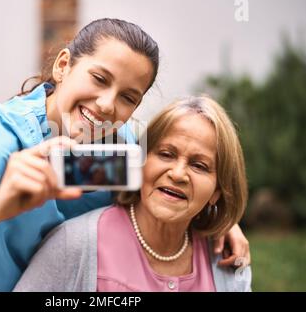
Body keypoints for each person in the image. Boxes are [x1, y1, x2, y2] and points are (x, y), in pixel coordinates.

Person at [0, 18, 249, 292]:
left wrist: (220, 220)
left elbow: (167, 181)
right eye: (99, 79)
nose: (105, 104)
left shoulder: (120, 145)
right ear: (64, 65)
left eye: (128, 97)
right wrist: (0, 205)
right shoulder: (6, 131)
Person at [14, 96, 252, 292]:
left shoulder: (229, 261)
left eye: (199, 166)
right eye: (166, 154)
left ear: (217, 192)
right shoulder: (74, 244)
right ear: (139, 161)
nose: (178, 174)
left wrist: (227, 222)